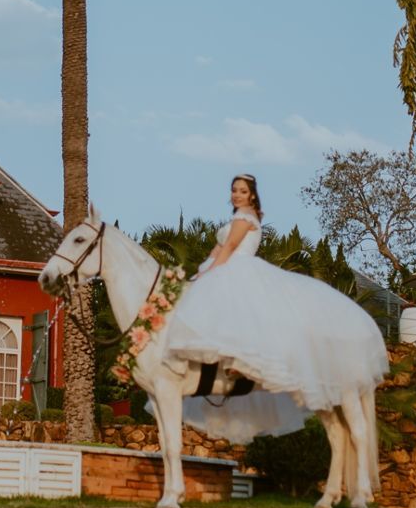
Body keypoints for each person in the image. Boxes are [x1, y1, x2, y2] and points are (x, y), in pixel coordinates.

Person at [165, 173, 388, 442]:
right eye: (234, 190)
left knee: (238, 316)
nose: (237, 194)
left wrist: (210, 274)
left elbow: (230, 248)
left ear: (252, 195)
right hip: (224, 266)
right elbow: (217, 249)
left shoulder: (246, 217)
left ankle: (239, 363)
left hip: (238, 269)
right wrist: (200, 273)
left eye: (242, 191)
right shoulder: (233, 219)